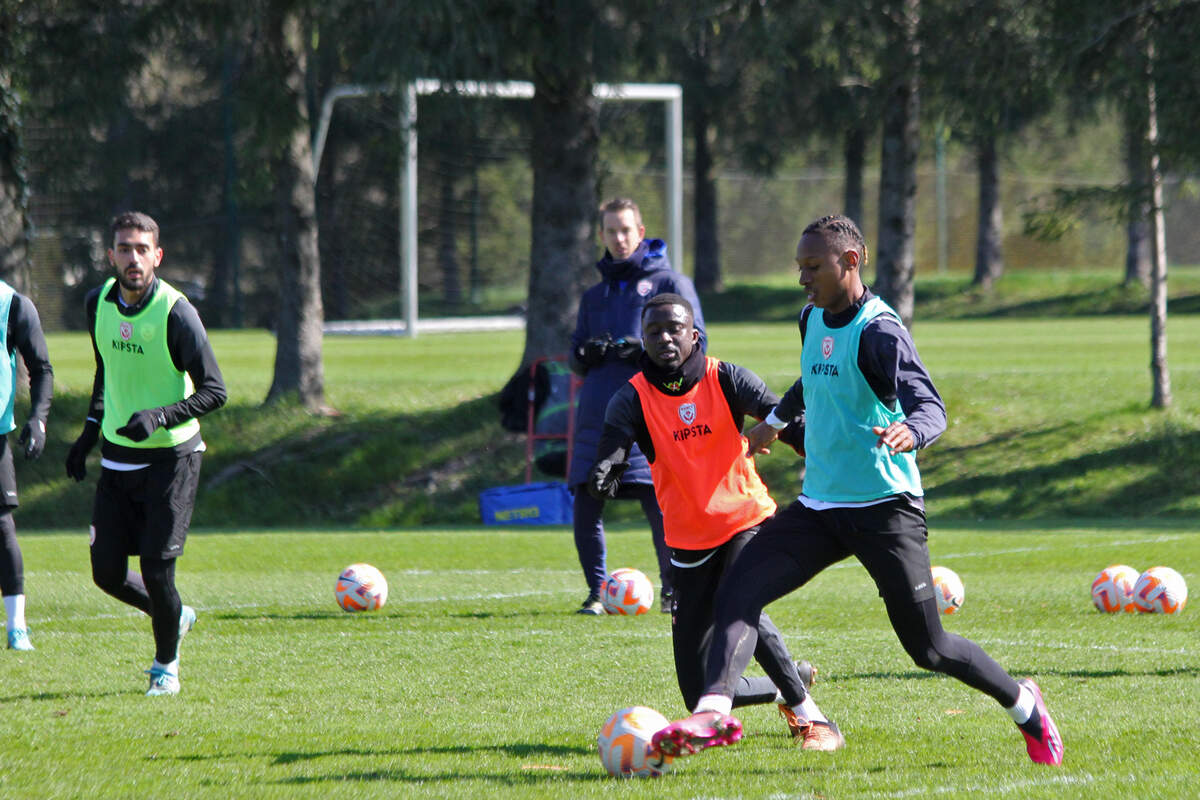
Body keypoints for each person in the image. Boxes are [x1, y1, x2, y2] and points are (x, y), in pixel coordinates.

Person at [652, 214, 1063, 766]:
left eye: (813, 266)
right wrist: (774, 419)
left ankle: (1024, 705)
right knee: (738, 592)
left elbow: (930, 406)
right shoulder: (811, 317)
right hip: (821, 507)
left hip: (885, 510)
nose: (803, 278)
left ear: (853, 261)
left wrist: (910, 431)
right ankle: (713, 712)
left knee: (930, 649)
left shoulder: (879, 331)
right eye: (800, 267)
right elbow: (813, 377)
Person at [588, 293, 840, 749]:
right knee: (694, 692)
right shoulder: (631, 397)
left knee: (737, 599)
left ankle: (814, 719)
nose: (665, 337)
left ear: (694, 334)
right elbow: (612, 447)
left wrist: (818, 449)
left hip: (746, 518)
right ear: (643, 341)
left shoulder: (725, 377)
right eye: (654, 331)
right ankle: (788, 684)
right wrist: (604, 472)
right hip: (686, 539)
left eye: (674, 328)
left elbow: (784, 418)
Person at [64, 211, 227, 696]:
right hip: (117, 461)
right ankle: (176, 616)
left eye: (141, 249)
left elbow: (215, 391)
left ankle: (165, 668)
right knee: (107, 575)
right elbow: (105, 373)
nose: (132, 258)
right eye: (123, 248)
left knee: (157, 571)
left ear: (157, 256)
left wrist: (159, 416)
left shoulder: (176, 313)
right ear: (110, 255)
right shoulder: (97, 304)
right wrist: (89, 434)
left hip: (172, 462)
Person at [568, 198, 707, 615]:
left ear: (641, 232)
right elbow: (574, 356)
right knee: (586, 499)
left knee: (660, 503)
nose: (619, 238)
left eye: (626, 230)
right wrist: (586, 353)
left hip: (651, 408)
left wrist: (644, 351)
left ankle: (673, 590)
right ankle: (596, 593)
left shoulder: (670, 282)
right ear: (601, 236)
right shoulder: (595, 294)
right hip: (597, 411)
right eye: (611, 231)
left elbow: (698, 339)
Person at [0, 282, 53, 651]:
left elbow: (41, 368)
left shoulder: (12, 304)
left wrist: (38, 418)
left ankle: (17, 626)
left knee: (1, 527)